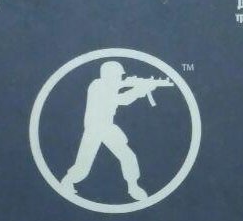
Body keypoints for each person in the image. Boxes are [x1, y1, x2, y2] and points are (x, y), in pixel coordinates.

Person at [62, 60, 171, 202]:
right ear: (108, 75)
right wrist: (139, 90)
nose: (120, 78)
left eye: (120, 76)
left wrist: (139, 85)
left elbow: (120, 89)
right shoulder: (97, 85)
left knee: (128, 157)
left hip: (107, 127)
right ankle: (67, 182)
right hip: (95, 128)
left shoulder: (111, 85)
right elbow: (121, 100)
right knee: (83, 164)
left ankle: (133, 187)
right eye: (117, 76)